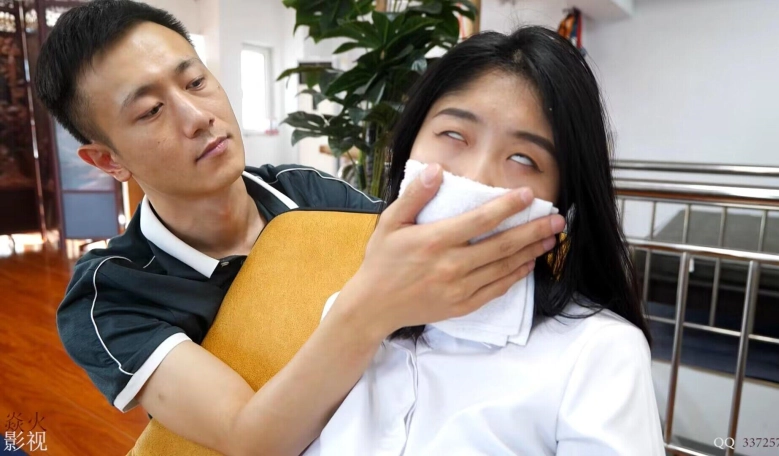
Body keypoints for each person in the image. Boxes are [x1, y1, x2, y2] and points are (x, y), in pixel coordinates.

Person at [35, 1, 565, 455]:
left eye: (196, 81)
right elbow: (251, 438)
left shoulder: (305, 191)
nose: (197, 116)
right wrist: (368, 310)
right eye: (151, 110)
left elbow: (430, 271)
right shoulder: (110, 296)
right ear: (107, 160)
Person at [304, 27, 665, 455]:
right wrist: (360, 314)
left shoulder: (600, 354)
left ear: (561, 203)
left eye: (523, 158)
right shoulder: (346, 310)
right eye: (454, 135)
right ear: (408, 148)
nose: (475, 179)